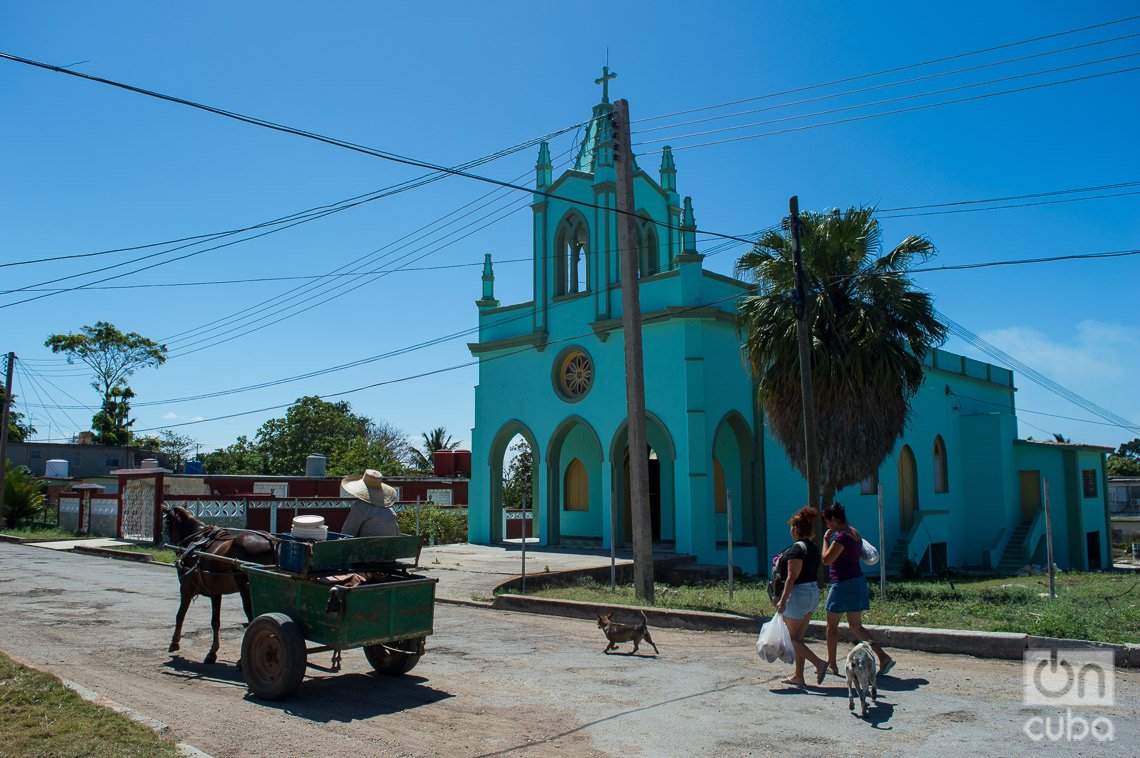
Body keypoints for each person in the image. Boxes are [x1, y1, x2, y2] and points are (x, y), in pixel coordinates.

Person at [821, 502, 894, 677]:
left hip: (842, 584)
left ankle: (832, 664)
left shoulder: (841, 538)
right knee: (856, 626)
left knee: (832, 625)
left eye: (827, 522)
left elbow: (826, 559)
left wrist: (825, 540)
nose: (827, 526)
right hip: (857, 581)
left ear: (834, 519)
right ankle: (883, 657)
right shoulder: (854, 533)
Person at [773, 506, 828, 686]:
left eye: (791, 527)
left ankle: (819, 663)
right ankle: (799, 676)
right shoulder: (812, 547)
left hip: (799, 595)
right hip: (812, 592)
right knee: (799, 638)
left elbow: (791, 577)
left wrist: (782, 601)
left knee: (790, 638)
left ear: (795, 529)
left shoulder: (797, 549)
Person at [340, 469, 399, 537]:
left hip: (368, 546)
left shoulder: (359, 506)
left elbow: (348, 533)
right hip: (392, 545)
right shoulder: (390, 509)